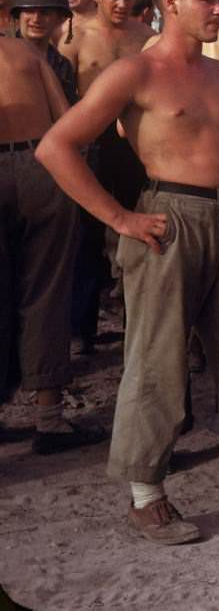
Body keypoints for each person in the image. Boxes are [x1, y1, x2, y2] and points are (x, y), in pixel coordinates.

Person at [36, 0, 219, 544]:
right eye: (210, 1)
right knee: (157, 358)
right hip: (168, 219)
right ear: (170, 3)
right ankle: (146, 493)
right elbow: (56, 147)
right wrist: (119, 218)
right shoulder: (133, 73)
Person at [0, 28, 104, 454]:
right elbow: (67, 117)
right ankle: (49, 419)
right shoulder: (23, 50)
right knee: (46, 292)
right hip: (40, 164)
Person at [58, 0, 153, 355]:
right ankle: (81, 329)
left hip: (132, 143)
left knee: (141, 230)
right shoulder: (74, 36)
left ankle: (138, 323)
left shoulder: (145, 36)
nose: (122, 4)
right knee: (84, 237)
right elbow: (60, 97)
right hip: (88, 143)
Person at [12, 0, 77, 104]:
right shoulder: (4, 55)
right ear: (18, 15)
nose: (36, 19)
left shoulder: (62, 66)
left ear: (60, 19)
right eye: (29, 11)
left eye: (45, 13)